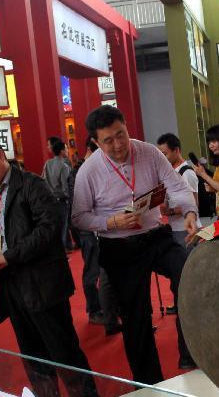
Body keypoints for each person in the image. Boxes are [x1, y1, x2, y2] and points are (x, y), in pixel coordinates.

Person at [0, 132, 101, 397]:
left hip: (43, 286)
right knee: (33, 355)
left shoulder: (31, 185)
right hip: (12, 290)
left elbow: (49, 229)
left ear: (1, 155)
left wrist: (8, 256)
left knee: (64, 352)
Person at [72, 105, 199, 382]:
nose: (118, 145)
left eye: (121, 134)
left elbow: (177, 187)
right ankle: (148, 382)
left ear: (127, 126)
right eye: (108, 140)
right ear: (95, 141)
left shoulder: (149, 152)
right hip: (119, 248)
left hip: (155, 236)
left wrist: (190, 212)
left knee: (188, 272)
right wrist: (112, 222)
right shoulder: (88, 172)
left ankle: (191, 352)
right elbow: (79, 217)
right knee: (136, 314)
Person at [72, 134, 122, 334]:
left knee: (106, 272)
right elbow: (79, 211)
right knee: (95, 272)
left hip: (101, 229)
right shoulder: (82, 171)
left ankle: (109, 312)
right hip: (89, 231)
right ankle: (95, 311)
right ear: (95, 145)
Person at [156, 133, 200, 250]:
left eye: (164, 154)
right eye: (160, 155)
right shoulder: (169, 173)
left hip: (186, 228)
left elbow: (194, 204)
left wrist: (169, 211)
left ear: (176, 150)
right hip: (174, 227)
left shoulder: (187, 173)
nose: (162, 158)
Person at [43, 137, 74, 250]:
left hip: (51, 200)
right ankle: (63, 250)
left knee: (57, 226)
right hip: (62, 200)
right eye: (66, 149)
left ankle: (67, 246)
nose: (67, 151)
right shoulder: (64, 166)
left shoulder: (47, 163)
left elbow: (44, 180)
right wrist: (69, 198)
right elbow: (66, 187)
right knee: (64, 226)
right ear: (61, 151)